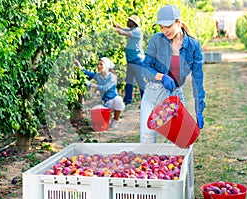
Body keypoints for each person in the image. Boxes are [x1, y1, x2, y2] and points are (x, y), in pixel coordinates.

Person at [140, 5, 206, 143]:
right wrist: (162, 77)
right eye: (161, 27)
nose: (164, 31)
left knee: (181, 139)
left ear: (178, 22)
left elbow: (197, 80)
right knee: (147, 137)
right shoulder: (156, 40)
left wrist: (199, 109)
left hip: (174, 95)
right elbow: (145, 67)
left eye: (168, 26)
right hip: (153, 93)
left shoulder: (193, 47)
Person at [74, 57, 125, 128]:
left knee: (118, 99)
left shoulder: (112, 77)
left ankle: (115, 120)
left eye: (101, 64)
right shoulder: (98, 76)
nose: (98, 66)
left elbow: (105, 88)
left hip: (114, 102)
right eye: (98, 64)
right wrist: (77, 64)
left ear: (106, 66)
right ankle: (107, 118)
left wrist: (91, 84)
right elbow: (86, 73)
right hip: (106, 102)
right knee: (96, 110)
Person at [114, 15, 146, 105]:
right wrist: (117, 26)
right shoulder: (131, 29)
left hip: (137, 59)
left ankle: (146, 100)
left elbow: (124, 33)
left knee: (140, 81)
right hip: (131, 59)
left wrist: (115, 30)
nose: (128, 21)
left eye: (129, 20)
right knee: (129, 80)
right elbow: (123, 29)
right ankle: (128, 100)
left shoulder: (137, 32)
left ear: (134, 23)